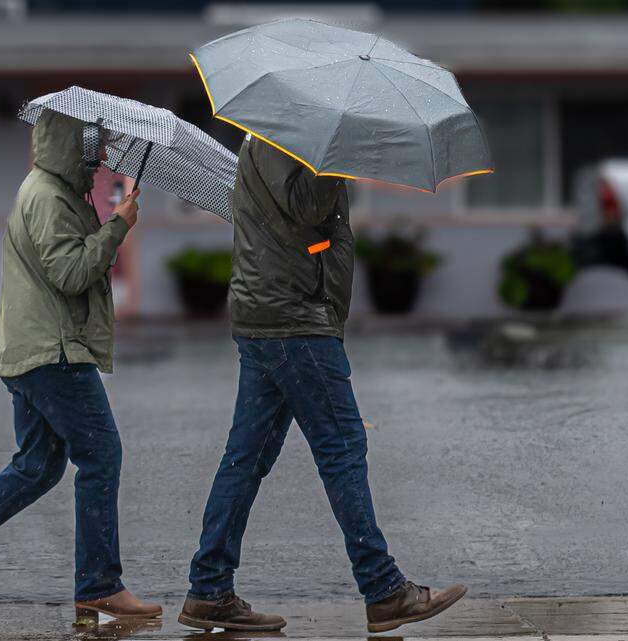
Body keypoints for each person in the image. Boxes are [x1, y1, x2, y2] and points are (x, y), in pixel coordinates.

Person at [178, 135, 466, 634]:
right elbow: (308, 206)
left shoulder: (274, 138)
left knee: (246, 458)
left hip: (272, 314)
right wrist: (335, 157)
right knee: (342, 448)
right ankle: (384, 590)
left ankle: (208, 590)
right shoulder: (279, 142)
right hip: (295, 319)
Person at [0, 110, 161, 622]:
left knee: (38, 467)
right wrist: (117, 229)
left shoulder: (55, 191)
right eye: (93, 145)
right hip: (52, 351)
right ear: (69, 144)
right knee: (101, 454)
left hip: (33, 348)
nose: (102, 155)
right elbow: (69, 273)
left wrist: (108, 216)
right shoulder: (48, 196)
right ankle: (100, 585)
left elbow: (67, 260)